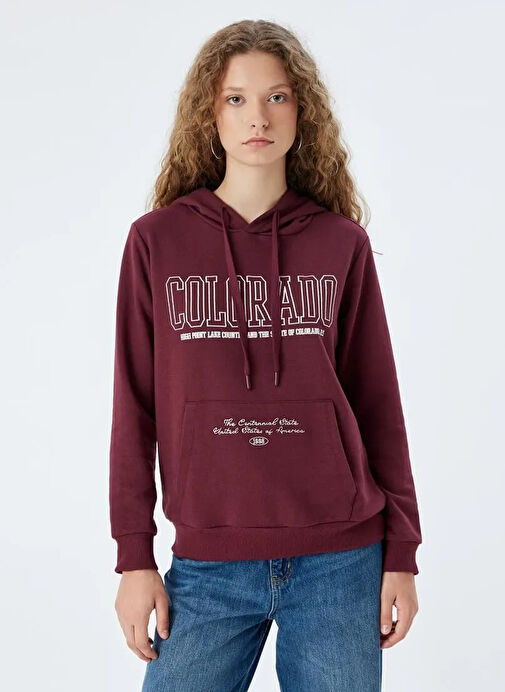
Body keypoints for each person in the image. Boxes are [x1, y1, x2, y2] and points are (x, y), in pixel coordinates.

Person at [109, 19, 422, 691]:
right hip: (208, 565)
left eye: (277, 97)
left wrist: (402, 550)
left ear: (301, 112)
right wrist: (134, 557)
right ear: (210, 114)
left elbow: (377, 402)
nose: (258, 116)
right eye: (237, 98)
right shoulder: (156, 242)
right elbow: (133, 407)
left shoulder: (339, 243)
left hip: (342, 561)